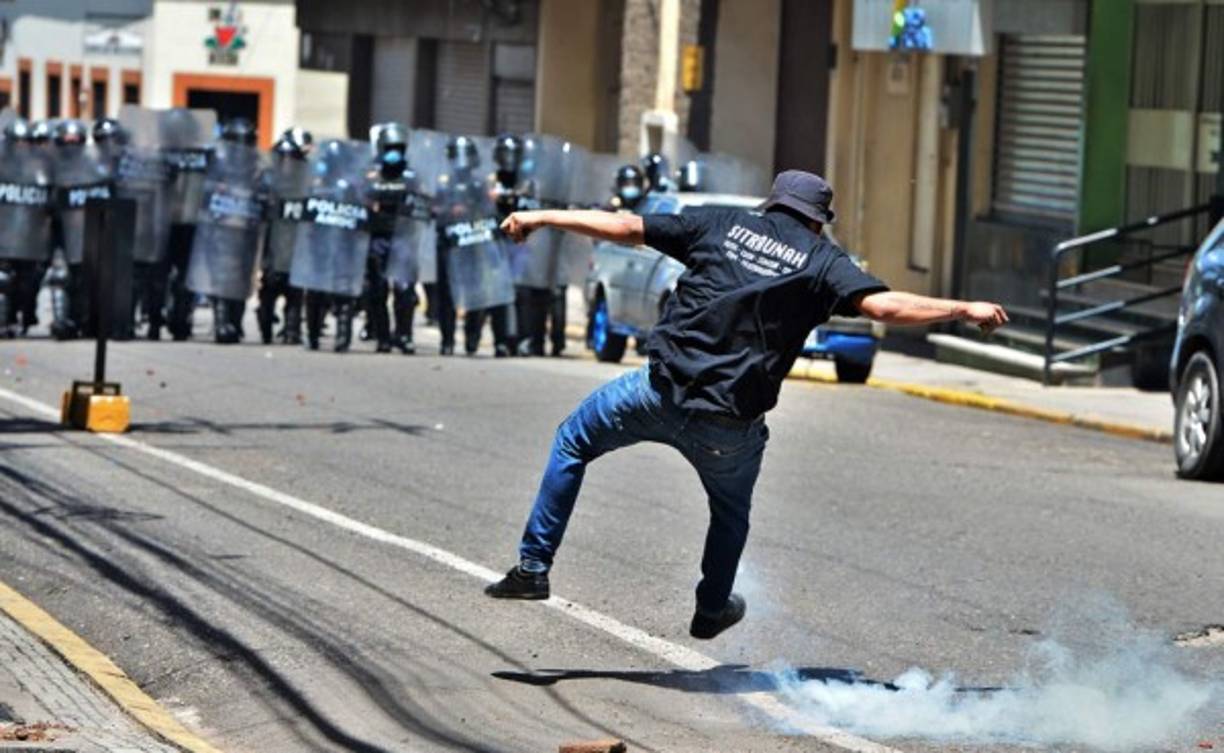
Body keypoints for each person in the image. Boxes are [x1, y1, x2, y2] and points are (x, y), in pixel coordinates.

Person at [484, 170, 1008, 639]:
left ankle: (533, 567)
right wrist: (962, 308)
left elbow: (624, 226)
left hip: (656, 393)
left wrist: (540, 216)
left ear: (770, 205)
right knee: (729, 514)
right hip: (729, 426)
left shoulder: (718, 225)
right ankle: (712, 608)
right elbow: (885, 305)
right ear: (819, 222)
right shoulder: (823, 261)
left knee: (574, 440)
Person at [257, 128, 312, 345]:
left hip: (296, 242)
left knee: (294, 290)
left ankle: (292, 330)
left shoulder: (307, 175)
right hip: (274, 241)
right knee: (270, 286)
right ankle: (267, 327)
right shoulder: (270, 176)